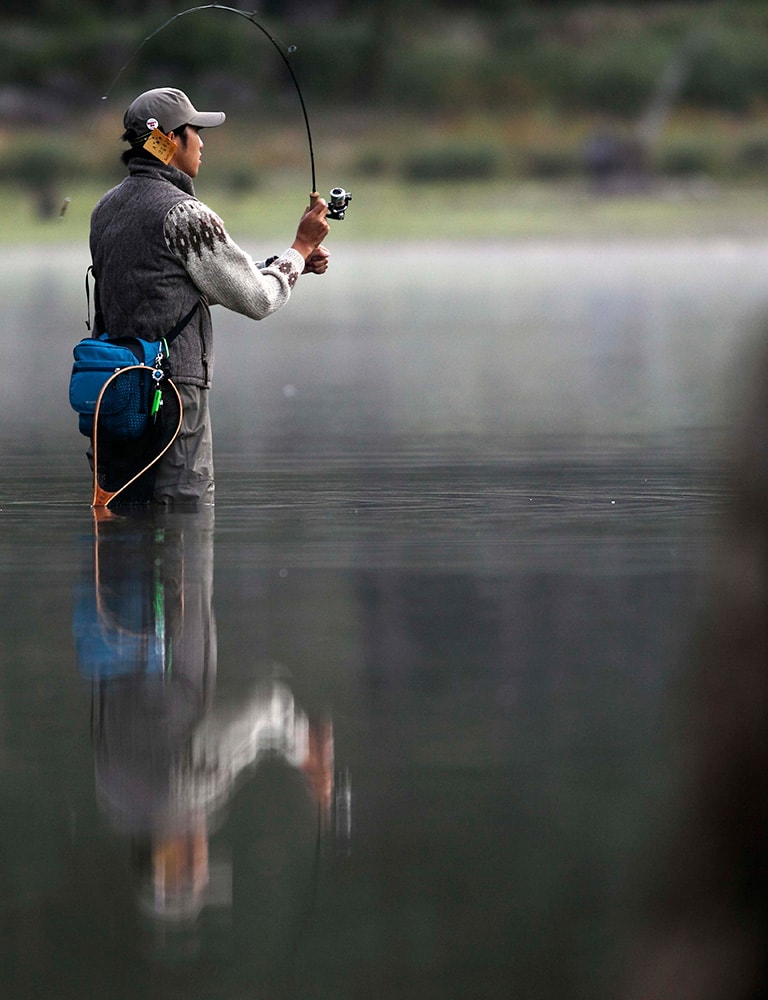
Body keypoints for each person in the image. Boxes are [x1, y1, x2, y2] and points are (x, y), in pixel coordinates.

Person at [88, 87, 330, 505]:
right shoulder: (185, 214)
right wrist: (302, 247)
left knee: (128, 521)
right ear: (168, 139)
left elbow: (172, 287)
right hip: (173, 398)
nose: (202, 142)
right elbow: (257, 300)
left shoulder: (105, 208)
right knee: (184, 524)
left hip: (116, 399)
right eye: (194, 131)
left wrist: (288, 265)